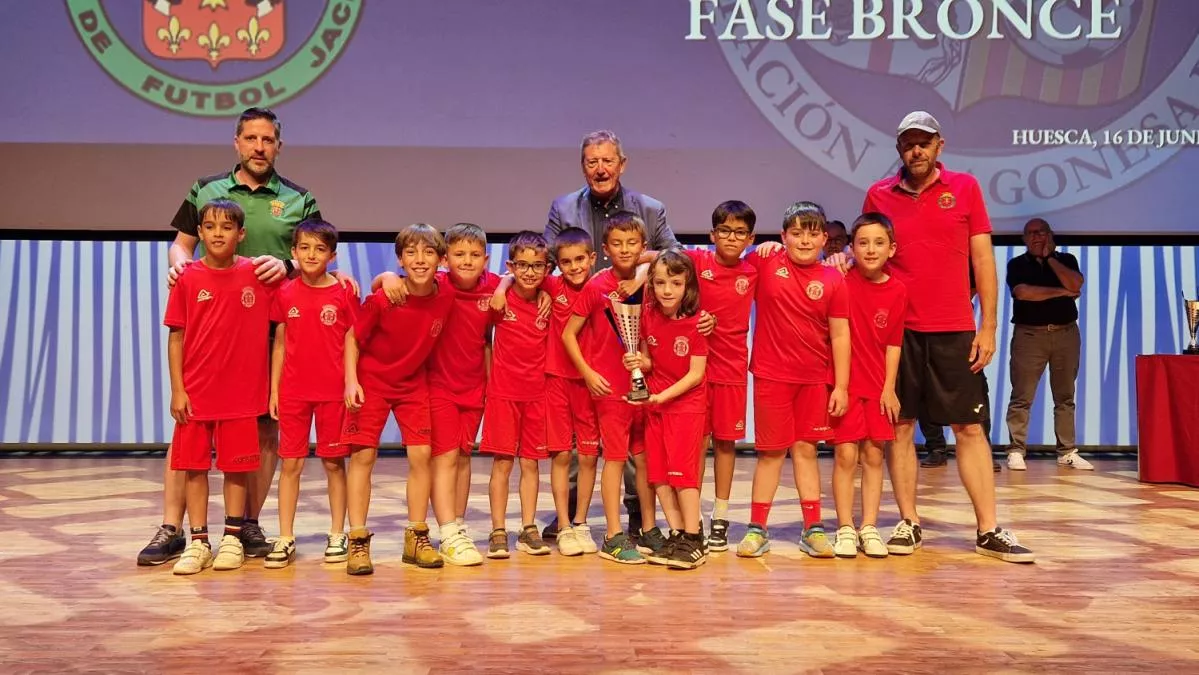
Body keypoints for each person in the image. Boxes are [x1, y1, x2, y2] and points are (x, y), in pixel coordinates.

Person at [140, 107, 353, 565]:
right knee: (189, 426)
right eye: (251, 138)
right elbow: (181, 241)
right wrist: (177, 262)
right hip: (214, 322)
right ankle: (173, 528)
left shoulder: (299, 198)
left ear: (279, 146)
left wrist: (291, 266)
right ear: (237, 142)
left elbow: (321, 253)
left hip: (273, 323)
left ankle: (247, 524)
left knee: (265, 427)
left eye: (268, 140)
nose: (260, 147)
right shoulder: (206, 189)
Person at [863, 110, 1034, 563]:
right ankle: (908, 522)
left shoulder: (965, 188)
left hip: (955, 328)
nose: (915, 150)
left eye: (923, 142)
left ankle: (988, 528)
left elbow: (983, 260)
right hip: (896, 334)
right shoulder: (878, 194)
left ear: (940, 145)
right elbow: (867, 253)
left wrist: (989, 325)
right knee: (899, 428)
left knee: (969, 428)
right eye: (907, 143)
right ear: (899, 149)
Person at [544, 130, 680, 540]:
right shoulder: (564, 206)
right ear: (582, 165)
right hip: (584, 329)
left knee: (633, 429)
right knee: (578, 434)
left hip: (635, 326)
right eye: (591, 161)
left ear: (622, 164)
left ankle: (638, 512)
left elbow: (674, 256)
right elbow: (548, 259)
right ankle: (571, 513)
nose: (600, 169)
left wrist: (640, 268)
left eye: (607, 161)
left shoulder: (649, 209)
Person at [373, 223, 510, 565]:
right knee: (445, 458)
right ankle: (447, 529)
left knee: (463, 456)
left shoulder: (492, 287)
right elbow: (392, 281)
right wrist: (386, 276)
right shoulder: (438, 284)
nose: (467, 261)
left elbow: (521, 278)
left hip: (474, 386)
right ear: (446, 259)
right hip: (438, 386)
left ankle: (457, 526)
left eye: (475, 255)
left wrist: (506, 284)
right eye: (459, 254)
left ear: (486, 259)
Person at [164, 200, 277, 575]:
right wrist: (178, 389)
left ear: (240, 234)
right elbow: (176, 338)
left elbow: (305, 289)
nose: (217, 233)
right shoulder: (188, 278)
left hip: (242, 395)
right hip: (196, 394)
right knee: (194, 469)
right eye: (209, 227)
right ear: (199, 233)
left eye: (226, 227)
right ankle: (198, 542)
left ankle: (232, 537)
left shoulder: (258, 276)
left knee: (236, 468)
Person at [735, 202, 850, 560]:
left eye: (812, 232)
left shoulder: (833, 278)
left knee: (806, 451)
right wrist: (759, 248)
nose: (804, 240)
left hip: (814, 380)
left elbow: (840, 335)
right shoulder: (764, 261)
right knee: (770, 453)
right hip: (771, 376)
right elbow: (730, 267)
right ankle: (757, 529)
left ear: (824, 239)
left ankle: (812, 529)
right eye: (796, 232)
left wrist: (841, 386)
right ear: (783, 236)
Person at [340, 224, 458, 574]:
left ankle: (417, 538)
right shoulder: (384, 298)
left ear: (440, 260)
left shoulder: (446, 292)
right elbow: (352, 338)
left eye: (428, 253)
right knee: (363, 456)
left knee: (421, 455)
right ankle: (357, 541)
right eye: (411, 253)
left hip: (412, 384)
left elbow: (487, 275)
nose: (420, 260)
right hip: (372, 383)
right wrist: (351, 382)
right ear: (400, 259)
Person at [562, 213, 663, 564]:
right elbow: (568, 334)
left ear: (643, 247)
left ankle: (649, 528)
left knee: (645, 459)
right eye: (617, 243)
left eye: (632, 243)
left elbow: (650, 334)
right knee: (616, 459)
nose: (625, 249)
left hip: (642, 386)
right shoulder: (595, 287)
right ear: (604, 249)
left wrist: (647, 365)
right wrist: (588, 373)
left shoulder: (652, 284)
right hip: (609, 388)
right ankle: (612, 534)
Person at [264, 220, 359, 569]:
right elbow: (280, 344)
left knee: (334, 463)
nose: (311, 255)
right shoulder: (285, 292)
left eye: (320, 249)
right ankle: (285, 535)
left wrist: (351, 381)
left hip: (333, 392)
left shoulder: (344, 292)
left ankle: (338, 533)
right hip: (293, 392)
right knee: (291, 463)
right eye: (304, 248)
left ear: (332, 256)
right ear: (293, 252)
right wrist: (274, 389)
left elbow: (351, 339)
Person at [509, 227, 601, 556]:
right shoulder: (550, 283)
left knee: (589, 455)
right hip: (556, 381)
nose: (574, 267)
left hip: (592, 383)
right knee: (562, 454)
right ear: (555, 265)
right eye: (566, 262)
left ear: (592, 258)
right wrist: (505, 284)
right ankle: (563, 526)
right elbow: (518, 275)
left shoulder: (603, 286)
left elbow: (646, 265)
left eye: (580, 260)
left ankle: (581, 523)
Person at [680, 201, 758, 553]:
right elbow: (651, 258)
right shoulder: (696, 262)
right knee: (695, 442)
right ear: (712, 235)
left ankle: (721, 517)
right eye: (724, 230)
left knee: (725, 443)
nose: (731, 237)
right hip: (695, 370)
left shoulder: (755, 268)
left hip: (731, 370)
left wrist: (772, 247)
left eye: (739, 232)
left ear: (750, 238)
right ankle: (691, 518)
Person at [625, 250, 710, 569]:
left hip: (684, 407)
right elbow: (649, 360)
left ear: (687, 284)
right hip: (655, 407)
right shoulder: (647, 315)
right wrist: (638, 363)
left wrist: (663, 397)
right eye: (660, 282)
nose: (667, 290)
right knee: (659, 476)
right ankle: (676, 534)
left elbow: (696, 374)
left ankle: (694, 538)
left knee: (683, 477)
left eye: (675, 282)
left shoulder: (697, 322)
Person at [829, 213, 907, 559]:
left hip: (877, 387)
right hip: (844, 384)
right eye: (862, 242)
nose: (870, 249)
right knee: (846, 454)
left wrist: (889, 387)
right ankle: (845, 527)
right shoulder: (840, 281)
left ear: (892, 248)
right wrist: (840, 386)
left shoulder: (898, 289)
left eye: (879, 243)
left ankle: (870, 526)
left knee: (874, 455)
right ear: (851, 248)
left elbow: (894, 342)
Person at [482, 232, 554, 558]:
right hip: (503, 394)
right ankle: (498, 530)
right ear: (511, 265)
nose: (529, 272)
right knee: (502, 463)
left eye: (537, 266)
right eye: (522, 265)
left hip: (537, 395)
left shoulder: (548, 299)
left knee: (531, 465)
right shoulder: (500, 297)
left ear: (547, 268)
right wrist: (502, 284)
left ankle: (528, 528)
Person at [1004, 218, 1089, 471]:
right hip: (1029, 336)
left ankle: (1067, 452)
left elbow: (1075, 284)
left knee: (1065, 396)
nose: (1036, 236)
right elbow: (1024, 293)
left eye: (1041, 232)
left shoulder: (1067, 260)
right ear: (1023, 239)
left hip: (1066, 334)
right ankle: (1016, 450)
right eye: (1030, 233)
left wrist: (1050, 258)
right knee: (1022, 396)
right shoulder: (1017, 264)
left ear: (1050, 235)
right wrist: (1062, 292)